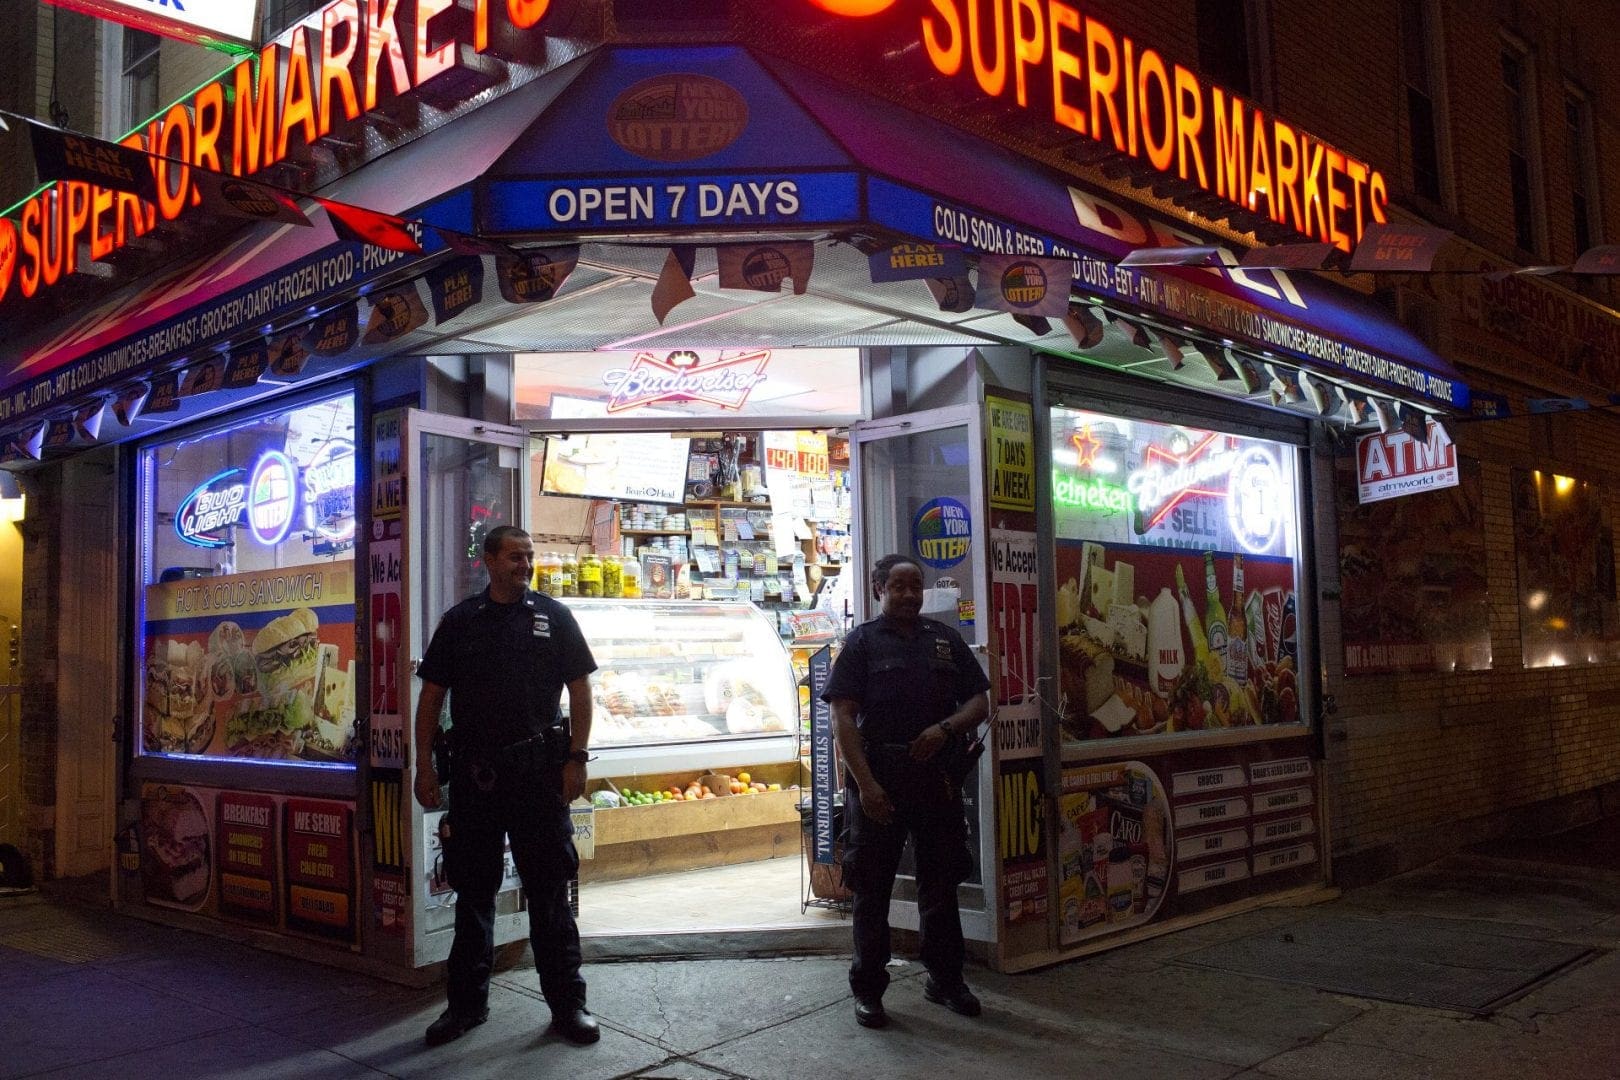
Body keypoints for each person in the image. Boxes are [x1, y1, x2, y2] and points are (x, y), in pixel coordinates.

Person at [412, 525, 600, 1047]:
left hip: (539, 780)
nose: (524, 565)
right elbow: (430, 699)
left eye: (529, 557)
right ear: (489, 561)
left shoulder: (554, 618)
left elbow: (581, 690)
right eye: (515, 556)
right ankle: (465, 1008)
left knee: (549, 897)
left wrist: (577, 758)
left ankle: (569, 1007)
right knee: (472, 896)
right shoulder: (460, 622)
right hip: (476, 782)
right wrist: (423, 768)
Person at [821, 553, 991, 1029]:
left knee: (940, 885)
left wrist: (946, 728)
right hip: (881, 781)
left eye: (915, 586)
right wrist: (867, 785)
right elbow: (843, 720)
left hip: (935, 780)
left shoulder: (944, 640)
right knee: (871, 890)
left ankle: (946, 980)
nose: (909, 594)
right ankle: (869, 991)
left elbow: (979, 700)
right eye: (898, 586)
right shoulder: (861, 644)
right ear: (879, 590)